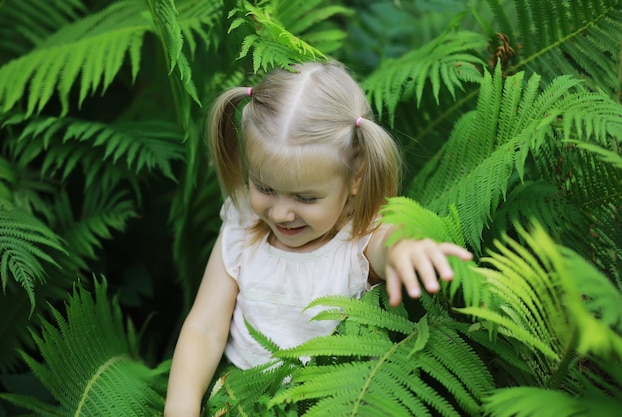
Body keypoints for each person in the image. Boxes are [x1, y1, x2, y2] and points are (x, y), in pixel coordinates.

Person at [163, 61, 473, 416]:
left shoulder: (358, 240)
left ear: (355, 178)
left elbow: (390, 243)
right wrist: (181, 406)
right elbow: (204, 328)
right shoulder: (242, 224)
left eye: (305, 198)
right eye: (264, 187)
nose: (280, 213)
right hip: (238, 401)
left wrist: (408, 250)